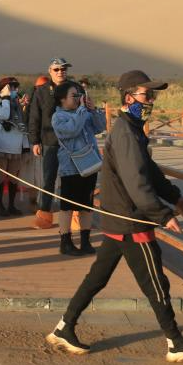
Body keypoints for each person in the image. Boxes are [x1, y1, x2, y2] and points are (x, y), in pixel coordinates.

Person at [46, 70, 183, 362]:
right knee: (155, 282)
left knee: (97, 278)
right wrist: (162, 214)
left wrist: (174, 196)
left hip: (120, 218)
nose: (151, 101)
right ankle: (175, 342)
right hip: (130, 221)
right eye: (146, 95)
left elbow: (149, 170)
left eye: (152, 95)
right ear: (128, 98)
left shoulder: (132, 128)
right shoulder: (125, 132)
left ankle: (64, 328)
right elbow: (137, 182)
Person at [51, 81, 106, 255]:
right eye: (74, 95)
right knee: (67, 206)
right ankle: (65, 242)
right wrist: (82, 110)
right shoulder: (58, 117)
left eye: (79, 95)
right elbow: (72, 130)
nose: (78, 98)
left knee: (86, 205)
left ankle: (85, 241)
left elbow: (100, 127)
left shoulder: (84, 112)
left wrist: (93, 110)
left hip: (89, 164)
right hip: (70, 167)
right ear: (62, 99)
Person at [28, 58, 72, 229]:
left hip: (71, 141)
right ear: (50, 71)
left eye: (63, 69)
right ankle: (45, 214)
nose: (60, 72)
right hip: (49, 141)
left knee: (71, 179)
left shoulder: (75, 88)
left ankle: (74, 215)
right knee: (48, 179)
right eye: (56, 69)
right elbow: (34, 117)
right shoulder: (41, 91)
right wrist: (35, 141)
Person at [0, 77, 28, 216]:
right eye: (10, 87)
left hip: (15, 148)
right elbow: (5, 116)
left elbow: (23, 126)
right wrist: (5, 98)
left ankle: (11, 205)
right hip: (1, 148)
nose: (14, 90)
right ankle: (0, 206)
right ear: (2, 89)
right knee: (0, 178)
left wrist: (25, 147)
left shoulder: (17, 105)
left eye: (15, 87)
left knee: (13, 180)